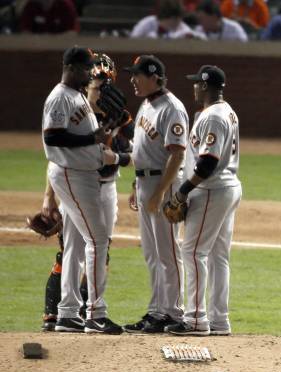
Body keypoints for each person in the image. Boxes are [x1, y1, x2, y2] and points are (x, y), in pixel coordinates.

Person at [42, 53, 133, 332]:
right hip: (76, 177)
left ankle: (68, 312)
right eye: (91, 73)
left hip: (95, 181)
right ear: (73, 69)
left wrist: (110, 133)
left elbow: (96, 146)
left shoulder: (80, 98)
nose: (95, 79)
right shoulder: (64, 97)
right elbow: (54, 140)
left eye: (102, 78)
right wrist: (48, 197)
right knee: (96, 241)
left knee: (83, 244)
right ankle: (94, 313)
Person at [163, 65, 241, 336]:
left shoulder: (213, 117)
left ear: (206, 86)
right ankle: (219, 320)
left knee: (193, 252)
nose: (194, 86)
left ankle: (195, 319)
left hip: (211, 190)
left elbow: (207, 163)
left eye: (197, 83)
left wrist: (183, 190)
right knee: (218, 256)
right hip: (226, 189)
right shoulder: (225, 111)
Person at [123, 55, 188, 334]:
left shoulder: (172, 108)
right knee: (152, 253)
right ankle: (156, 311)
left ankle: (174, 312)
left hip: (165, 183)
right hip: (145, 183)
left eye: (138, 75)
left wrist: (160, 193)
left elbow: (177, 153)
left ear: (155, 77)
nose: (132, 80)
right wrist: (136, 185)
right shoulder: (146, 104)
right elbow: (142, 149)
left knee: (168, 252)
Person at [130, 0, 204, 39]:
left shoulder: (183, 29)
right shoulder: (147, 23)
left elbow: (200, 37)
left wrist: (193, 37)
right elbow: (133, 39)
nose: (178, 22)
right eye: (176, 20)